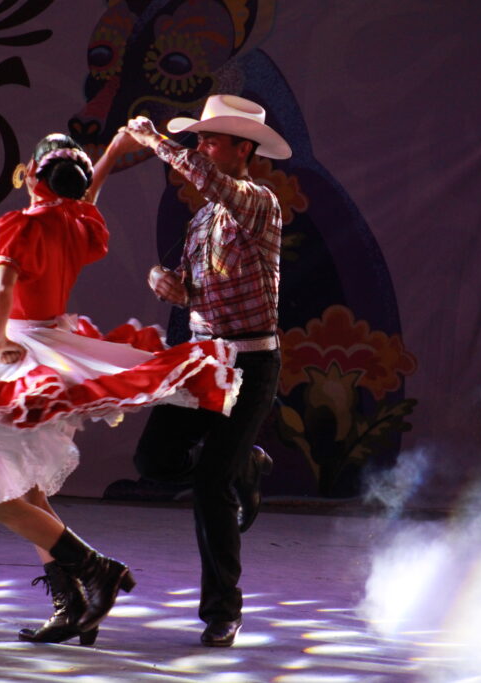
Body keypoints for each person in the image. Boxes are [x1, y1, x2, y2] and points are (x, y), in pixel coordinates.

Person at [0, 131, 242, 646]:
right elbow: (85, 197)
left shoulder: (21, 227)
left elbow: (3, 285)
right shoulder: (74, 223)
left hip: (28, 352)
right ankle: (73, 599)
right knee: (28, 489)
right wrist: (112, 156)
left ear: (32, 178)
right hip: (57, 346)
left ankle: (96, 570)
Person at [122, 94, 290, 647]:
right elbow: (189, 285)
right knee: (153, 460)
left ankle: (222, 611)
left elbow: (212, 181)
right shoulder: (200, 224)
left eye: (210, 138)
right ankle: (243, 469)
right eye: (198, 138)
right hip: (202, 360)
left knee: (210, 487)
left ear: (243, 149)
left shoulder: (259, 202)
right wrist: (163, 282)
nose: (200, 146)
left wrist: (155, 142)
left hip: (249, 362)